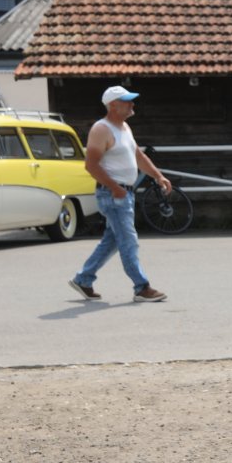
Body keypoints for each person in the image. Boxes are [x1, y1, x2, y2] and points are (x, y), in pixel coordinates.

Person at [68, 85, 169, 303]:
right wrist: (115, 188)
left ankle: (83, 279)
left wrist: (158, 176)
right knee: (128, 240)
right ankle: (142, 287)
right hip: (113, 195)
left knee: (113, 240)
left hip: (122, 193)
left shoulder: (124, 127)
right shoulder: (101, 129)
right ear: (113, 105)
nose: (132, 104)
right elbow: (91, 165)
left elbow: (138, 156)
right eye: (127, 100)